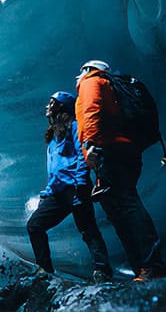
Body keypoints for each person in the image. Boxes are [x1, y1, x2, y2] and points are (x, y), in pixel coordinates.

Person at [75, 60, 166, 281]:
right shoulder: (109, 85)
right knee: (120, 211)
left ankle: (153, 265)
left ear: (88, 69)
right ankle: (143, 267)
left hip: (108, 149)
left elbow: (91, 110)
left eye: (81, 71)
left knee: (126, 206)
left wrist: (90, 145)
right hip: (123, 149)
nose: (78, 76)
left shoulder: (92, 82)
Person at [26, 91, 113, 282]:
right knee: (35, 225)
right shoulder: (52, 138)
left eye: (51, 103)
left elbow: (82, 156)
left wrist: (81, 183)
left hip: (76, 187)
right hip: (58, 193)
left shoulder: (74, 127)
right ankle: (45, 271)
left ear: (61, 107)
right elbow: (54, 170)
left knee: (88, 229)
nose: (47, 107)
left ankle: (103, 269)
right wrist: (47, 193)